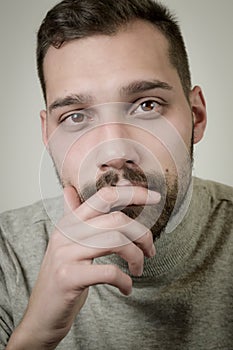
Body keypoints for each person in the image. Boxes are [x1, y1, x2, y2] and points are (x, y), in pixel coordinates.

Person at [1, 0, 233, 349]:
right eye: (76, 116)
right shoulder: (6, 256)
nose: (114, 153)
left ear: (196, 116)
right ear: (48, 135)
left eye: (147, 105)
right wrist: (35, 335)